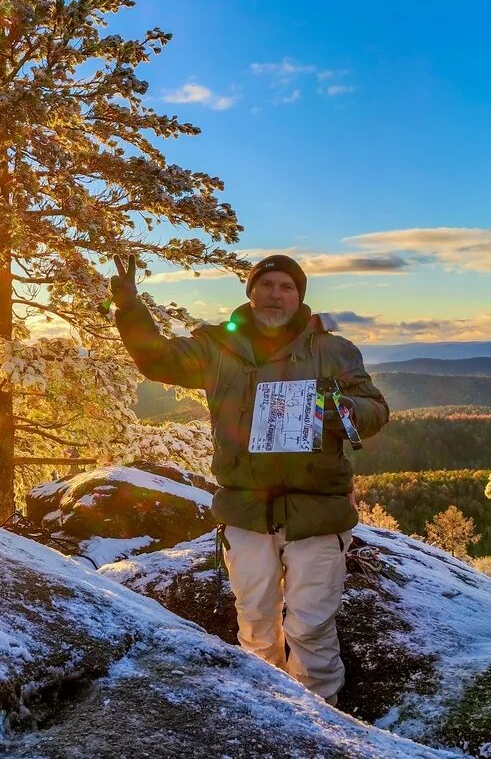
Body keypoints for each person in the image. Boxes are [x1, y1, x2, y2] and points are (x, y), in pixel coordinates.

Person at [109, 253, 388, 705]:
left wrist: (342, 412)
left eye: (286, 287)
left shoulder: (333, 349)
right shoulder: (217, 345)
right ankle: (269, 714)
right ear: (250, 292)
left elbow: (375, 409)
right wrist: (129, 310)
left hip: (316, 509)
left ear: (299, 296)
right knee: (256, 625)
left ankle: (324, 724)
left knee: (312, 627)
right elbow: (157, 360)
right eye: (267, 285)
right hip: (245, 508)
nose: (275, 294)